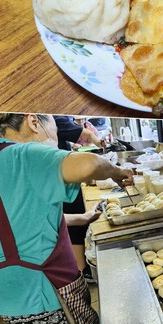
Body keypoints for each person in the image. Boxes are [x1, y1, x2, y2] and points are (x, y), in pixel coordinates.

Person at [0, 113, 133, 324]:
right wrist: (118, 173)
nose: (55, 138)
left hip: (7, 289)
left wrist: (83, 218)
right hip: (40, 288)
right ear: (33, 122)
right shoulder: (25, 154)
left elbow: (22, 217)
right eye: (55, 128)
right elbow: (90, 164)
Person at [54, 116, 105, 281]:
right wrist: (96, 140)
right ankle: (81, 272)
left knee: (74, 222)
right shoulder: (54, 119)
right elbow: (84, 134)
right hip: (61, 181)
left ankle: (80, 271)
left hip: (60, 180)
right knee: (75, 226)